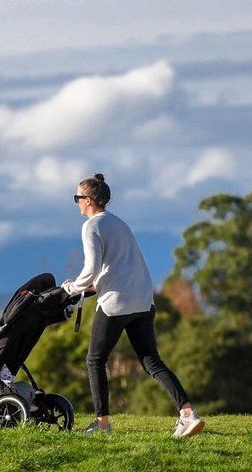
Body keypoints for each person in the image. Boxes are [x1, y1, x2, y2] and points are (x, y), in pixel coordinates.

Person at [62, 173, 205, 438]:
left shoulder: (91, 226)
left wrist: (71, 288)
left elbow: (91, 268)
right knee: (151, 360)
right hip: (142, 299)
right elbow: (117, 268)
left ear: (89, 200)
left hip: (117, 304)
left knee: (95, 360)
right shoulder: (118, 223)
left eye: (77, 198)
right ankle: (187, 413)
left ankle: (102, 424)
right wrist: (92, 286)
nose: (77, 203)